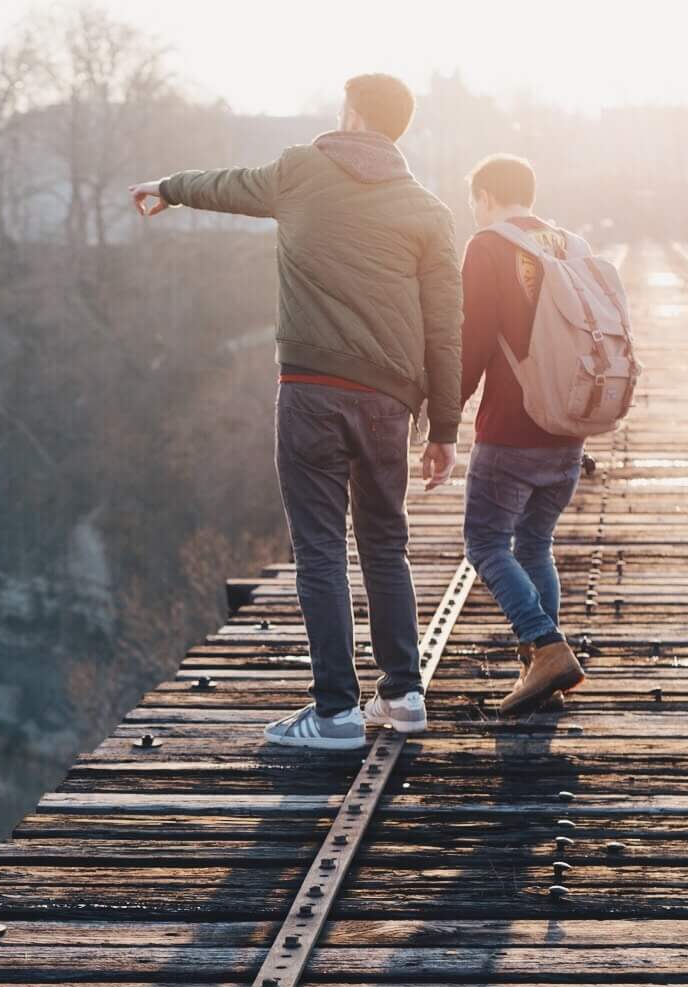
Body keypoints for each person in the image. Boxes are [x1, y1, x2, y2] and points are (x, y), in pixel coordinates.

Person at [131, 73, 461, 752]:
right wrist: (447, 430)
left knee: (319, 548)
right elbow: (445, 326)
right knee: (384, 543)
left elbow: (228, 185)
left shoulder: (302, 170)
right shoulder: (427, 210)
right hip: (390, 400)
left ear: (353, 115)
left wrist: (167, 187)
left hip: (312, 390)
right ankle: (402, 695)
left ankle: (335, 712)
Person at [459, 153, 588, 714]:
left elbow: (473, 341)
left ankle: (544, 643)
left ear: (485, 195)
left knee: (485, 543)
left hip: (511, 429)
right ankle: (544, 673)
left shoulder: (487, 246)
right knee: (535, 544)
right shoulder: (569, 245)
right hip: (568, 427)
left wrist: (444, 415)